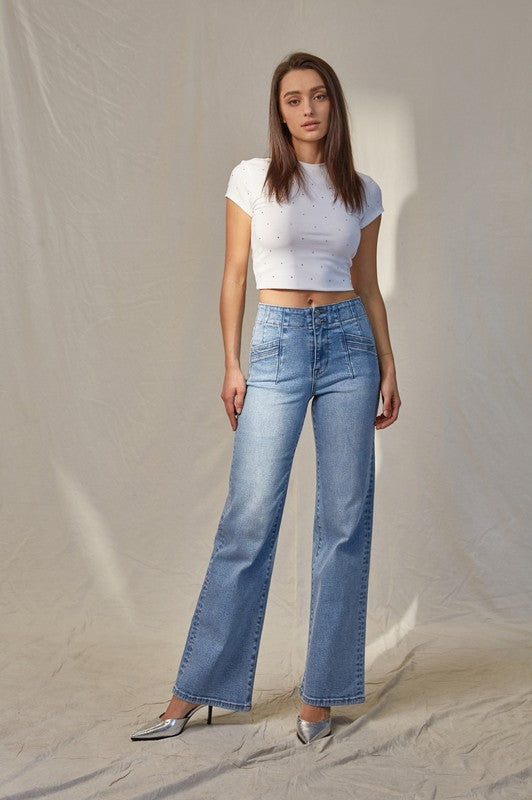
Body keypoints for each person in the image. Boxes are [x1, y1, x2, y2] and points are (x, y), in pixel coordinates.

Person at [132, 51, 400, 745]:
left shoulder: (363, 191)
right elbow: (233, 275)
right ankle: (197, 688)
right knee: (248, 517)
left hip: (349, 349)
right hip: (276, 344)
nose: (308, 109)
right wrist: (231, 363)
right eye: (293, 99)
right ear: (278, 111)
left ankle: (321, 696)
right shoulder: (252, 178)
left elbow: (368, 286)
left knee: (345, 520)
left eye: (318, 96)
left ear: (334, 104)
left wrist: (388, 364)